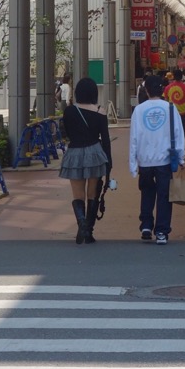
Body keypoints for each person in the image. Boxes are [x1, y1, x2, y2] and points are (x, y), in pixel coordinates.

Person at [128, 75, 185, 245]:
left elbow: (133, 138)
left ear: (146, 91)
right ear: (162, 90)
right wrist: (181, 157)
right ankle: (161, 231)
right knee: (164, 196)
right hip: (164, 161)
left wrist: (133, 164)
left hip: (144, 161)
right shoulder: (170, 108)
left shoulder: (139, 110)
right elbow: (178, 134)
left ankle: (146, 225)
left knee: (146, 192)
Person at [58, 77, 113, 244]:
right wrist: (109, 162)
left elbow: (66, 133)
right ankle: (88, 231)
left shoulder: (69, 111)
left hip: (74, 153)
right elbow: (105, 139)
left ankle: (81, 223)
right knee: (92, 193)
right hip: (95, 152)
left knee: (77, 194)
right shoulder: (100, 111)